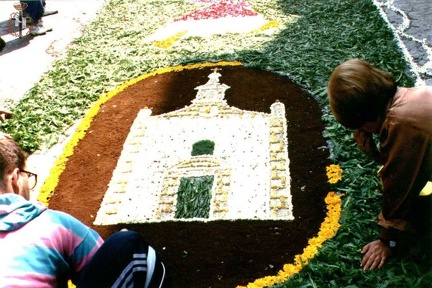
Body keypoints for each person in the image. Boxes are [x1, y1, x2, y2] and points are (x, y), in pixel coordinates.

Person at [0, 135, 166, 287]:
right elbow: (101, 264)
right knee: (127, 245)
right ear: (15, 179)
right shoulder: (53, 225)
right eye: (26, 175)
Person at [327, 58, 432, 271]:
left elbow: (400, 185)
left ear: (365, 121)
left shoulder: (400, 124)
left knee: (421, 209)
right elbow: (413, 162)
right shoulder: (408, 97)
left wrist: (387, 241)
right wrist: (379, 153)